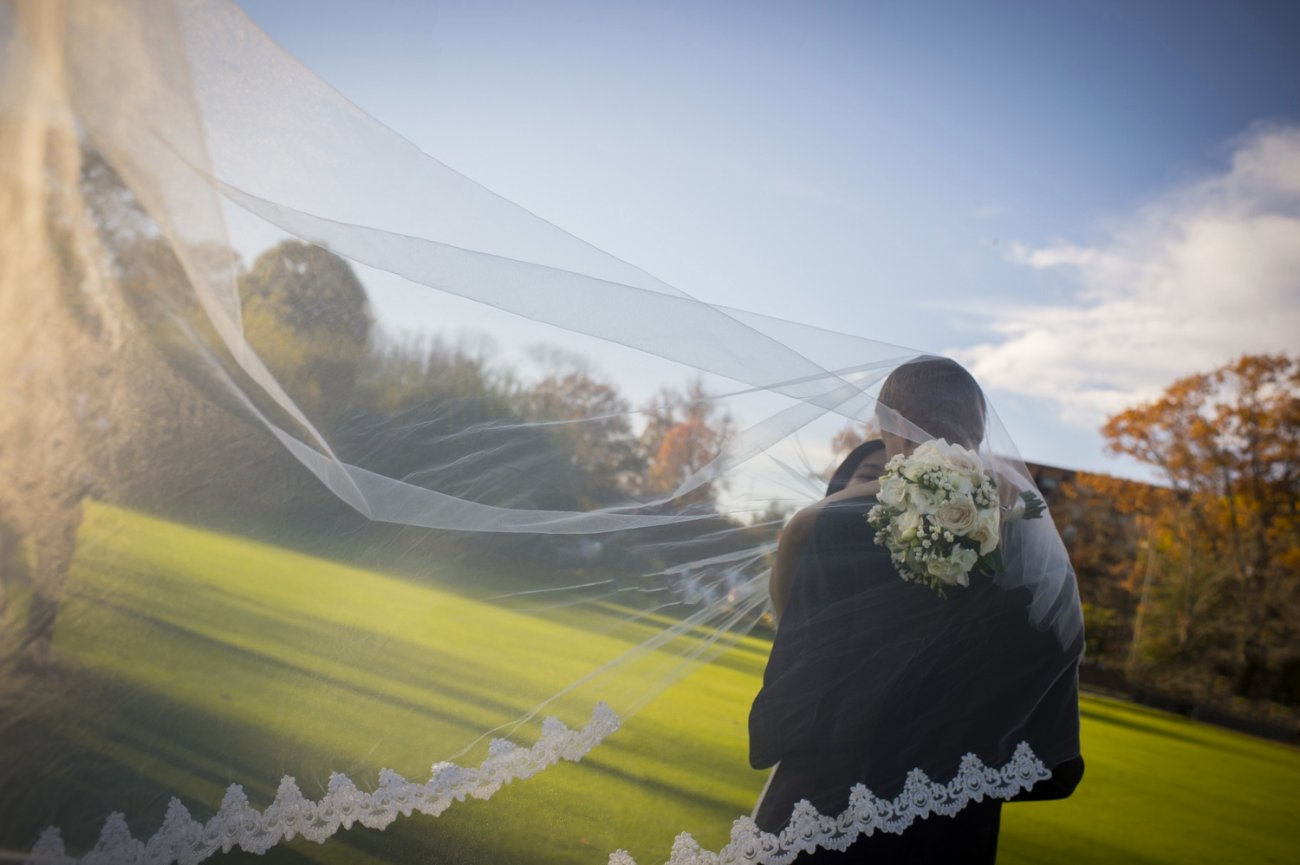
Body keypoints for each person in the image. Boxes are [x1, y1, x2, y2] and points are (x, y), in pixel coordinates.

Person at [750, 357, 1084, 862]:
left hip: (824, 809)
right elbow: (1052, 711)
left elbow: (796, 647)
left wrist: (818, 515)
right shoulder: (1025, 538)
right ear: (979, 431)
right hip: (950, 828)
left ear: (887, 425)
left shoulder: (834, 525)